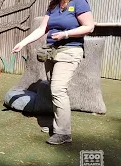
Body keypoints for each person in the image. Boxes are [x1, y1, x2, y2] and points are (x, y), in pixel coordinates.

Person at [11, 0, 94, 145]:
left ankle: (63, 133)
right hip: (51, 51)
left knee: (58, 89)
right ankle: (55, 123)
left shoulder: (79, 2)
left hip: (70, 50)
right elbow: (42, 29)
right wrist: (23, 43)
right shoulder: (54, 5)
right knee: (53, 87)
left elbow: (89, 27)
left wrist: (66, 34)